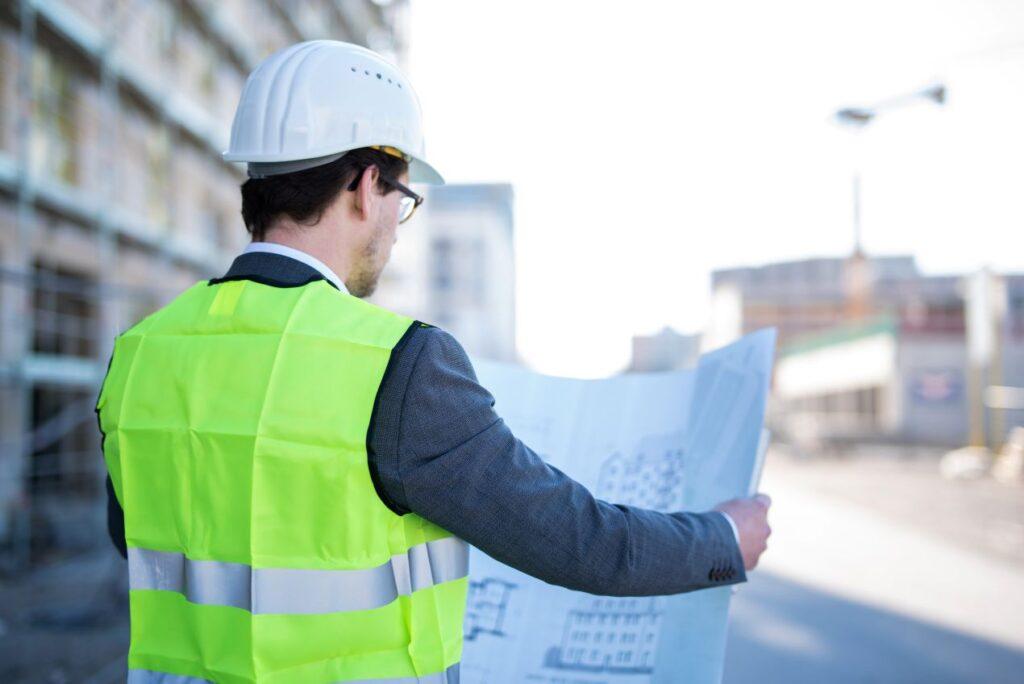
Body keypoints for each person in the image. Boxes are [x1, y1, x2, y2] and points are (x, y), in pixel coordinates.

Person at [98, 40, 771, 684]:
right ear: (367, 186)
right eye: (404, 200)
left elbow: (144, 546)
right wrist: (720, 541)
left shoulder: (140, 352)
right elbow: (577, 539)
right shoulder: (399, 363)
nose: (396, 225)